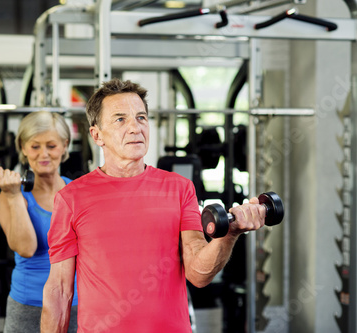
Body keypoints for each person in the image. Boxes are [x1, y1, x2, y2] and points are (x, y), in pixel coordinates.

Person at [41, 78, 266, 332]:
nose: (135, 128)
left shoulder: (180, 188)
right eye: (120, 119)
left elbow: (198, 274)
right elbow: (59, 290)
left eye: (141, 118)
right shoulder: (71, 198)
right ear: (97, 135)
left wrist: (228, 235)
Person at [0, 111, 78, 333]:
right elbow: (25, 248)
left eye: (51, 146)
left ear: (64, 146)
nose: (44, 154)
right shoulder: (12, 195)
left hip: (75, 305)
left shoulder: (78, 193)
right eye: (35, 146)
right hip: (29, 305)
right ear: (23, 148)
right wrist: (14, 196)